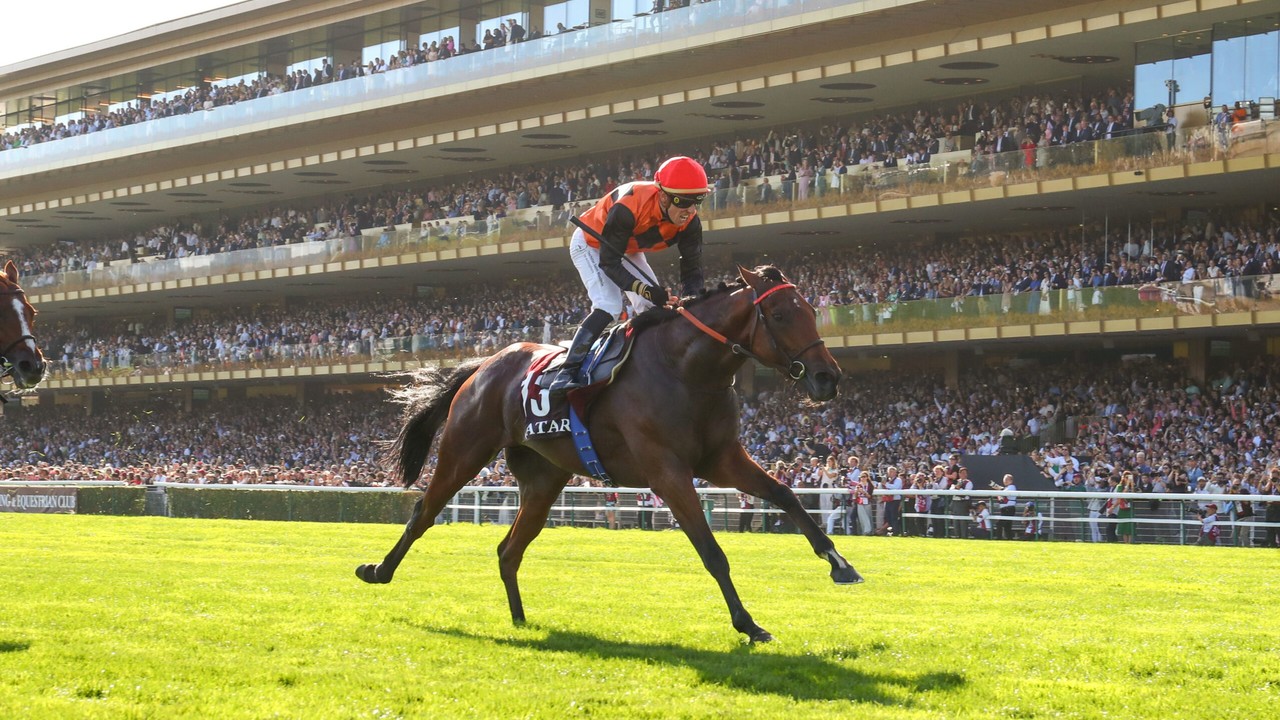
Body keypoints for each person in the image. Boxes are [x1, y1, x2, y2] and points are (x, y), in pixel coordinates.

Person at [548, 156, 709, 396]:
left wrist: (692, 304)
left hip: (627, 247)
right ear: (663, 196)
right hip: (593, 242)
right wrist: (645, 289)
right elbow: (609, 263)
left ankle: (656, 367)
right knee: (609, 305)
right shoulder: (629, 207)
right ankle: (566, 372)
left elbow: (692, 271)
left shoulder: (691, 223)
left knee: (652, 306)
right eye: (685, 202)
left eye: (698, 201)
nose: (691, 211)